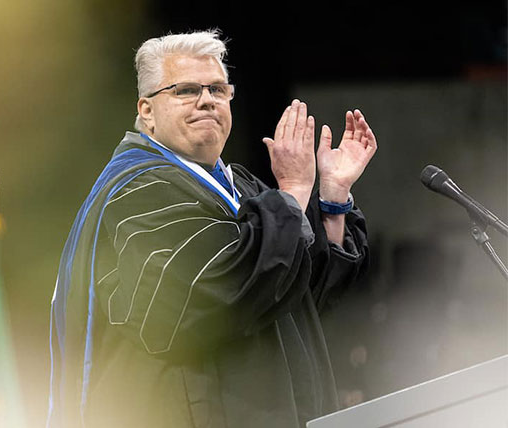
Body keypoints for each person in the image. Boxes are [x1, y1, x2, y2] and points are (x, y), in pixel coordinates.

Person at [48, 30, 376, 428]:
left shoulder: (242, 188)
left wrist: (333, 198)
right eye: (185, 90)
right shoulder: (137, 193)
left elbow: (301, 295)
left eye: (218, 89)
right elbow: (210, 297)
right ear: (146, 111)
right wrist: (290, 191)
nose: (207, 100)